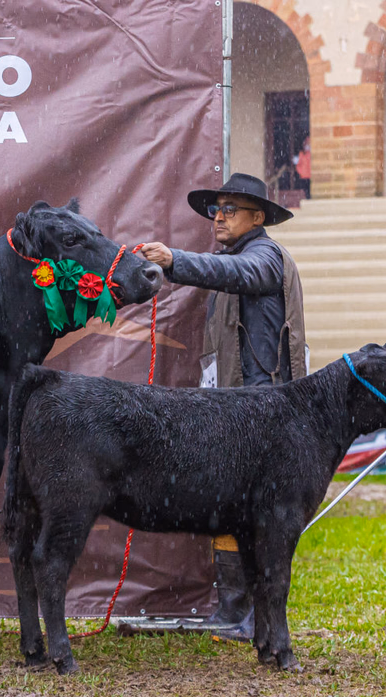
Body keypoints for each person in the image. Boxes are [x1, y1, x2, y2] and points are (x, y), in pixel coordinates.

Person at [140, 172, 308, 641]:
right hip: (235, 410)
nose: (218, 217)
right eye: (216, 209)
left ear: (258, 217)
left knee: (262, 516)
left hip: (264, 412)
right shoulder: (234, 256)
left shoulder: (265, 256)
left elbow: (238, 275)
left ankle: (257, 615)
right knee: (230, 508)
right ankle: (233, 610)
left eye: (230, 209)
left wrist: (175, 261)